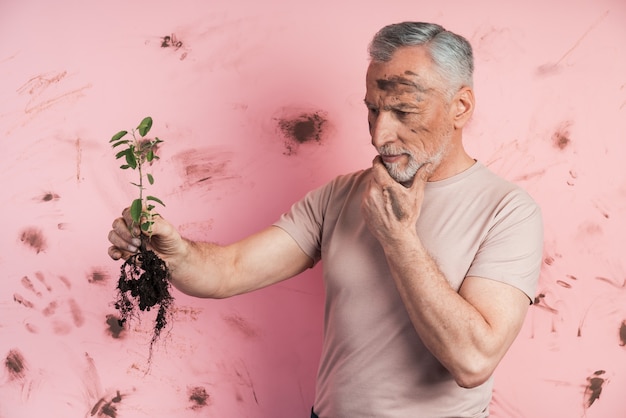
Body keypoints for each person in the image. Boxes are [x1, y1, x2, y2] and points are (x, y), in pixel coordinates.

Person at [108, 21, 543, 418]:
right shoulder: (341, 195)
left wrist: (398, 237)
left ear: (460, 107)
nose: (378, 134)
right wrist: (176, 252)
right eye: (373, 109)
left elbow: (473, 361)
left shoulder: (509, 211)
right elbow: (229, 271)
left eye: (403, 111)